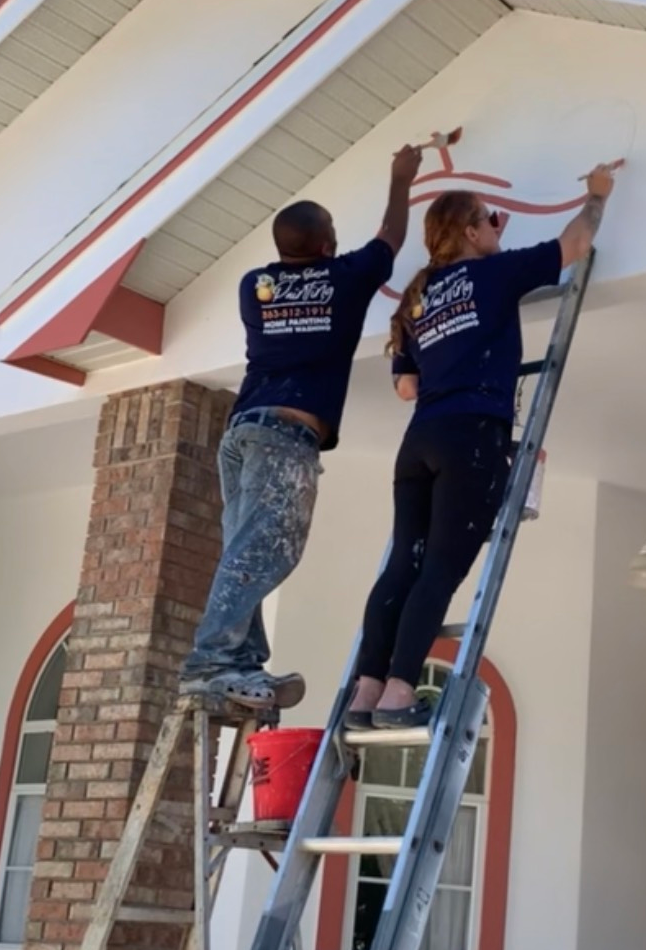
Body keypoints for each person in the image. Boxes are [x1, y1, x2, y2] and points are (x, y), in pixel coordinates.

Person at [346, 160, 623, 729]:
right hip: (470, 437)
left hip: (418, 441)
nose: (499, 229)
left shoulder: (417, 301)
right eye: (492, 222)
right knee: (441, 569)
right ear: (471, 233)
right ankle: (400, 694)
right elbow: (574, 243)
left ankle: (366, 692)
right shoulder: (491, 277)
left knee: (404, 564)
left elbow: (406, 388)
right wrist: (597, 196)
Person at [179, 144, 423, 709]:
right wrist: (401, 176)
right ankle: (211, 662)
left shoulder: (253, 286)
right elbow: (390, 234)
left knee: (244, 549)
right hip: (284, 440)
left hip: (242, 431)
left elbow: (322, 265)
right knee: (267, 552)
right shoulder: (345, 278)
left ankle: (239, 663)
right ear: (326, 244)